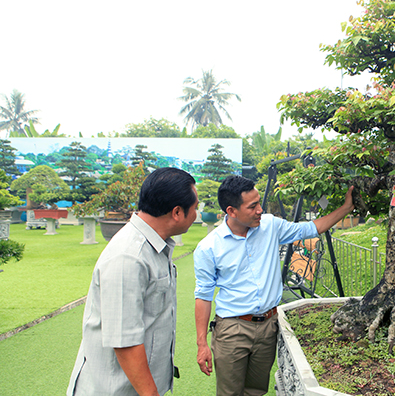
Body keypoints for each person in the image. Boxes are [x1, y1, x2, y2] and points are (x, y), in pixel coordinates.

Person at [194, 175, 355, 396]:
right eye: (252, 206)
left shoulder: (270, 225)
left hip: (268, 326)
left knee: (256, 391)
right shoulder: (209, 247)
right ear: (231, 211)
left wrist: (347, 207)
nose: (260, 210)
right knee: (229, 393)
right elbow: (203, 296)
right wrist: (202, 344)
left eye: (259, 202)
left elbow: (311, 229)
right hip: (232, 329)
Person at [67, 167, 199, 396]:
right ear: (177, 212)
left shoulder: (155, 246)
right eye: (195, 208)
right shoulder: (128, 256)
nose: (196, 213)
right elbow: (125, 341)